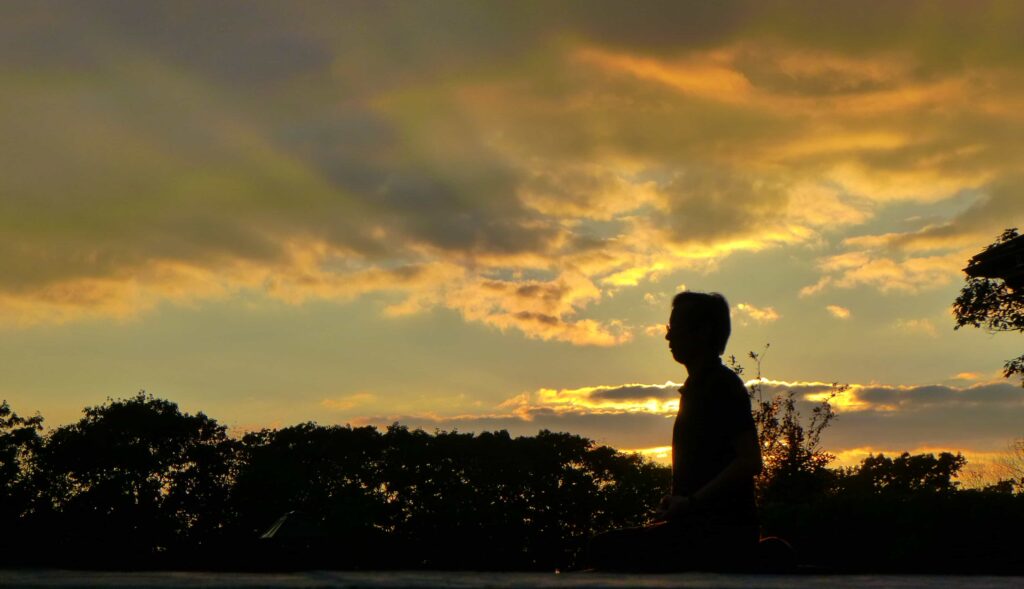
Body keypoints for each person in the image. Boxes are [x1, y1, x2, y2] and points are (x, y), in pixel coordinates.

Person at [587, 291, 763, 571]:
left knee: (602, 550)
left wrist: (691, 503)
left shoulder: (722, 386)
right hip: (697, 528)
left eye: (675, 329)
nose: (668, 338)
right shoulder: (697, 388)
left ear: (702, 332)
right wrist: (677, 504)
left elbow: (750, 461)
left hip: (718, 535)